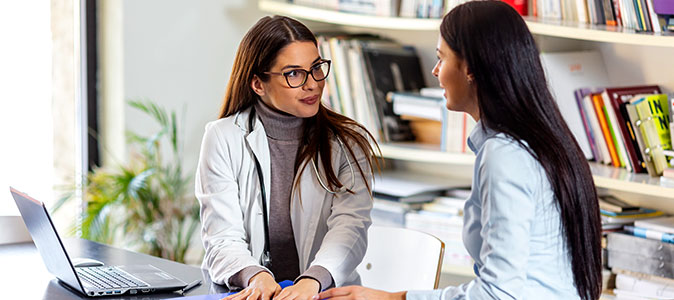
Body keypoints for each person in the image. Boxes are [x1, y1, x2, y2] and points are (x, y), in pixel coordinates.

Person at [316, 1, 602, 300]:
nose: (436, 70)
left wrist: (393, 298)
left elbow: (496, 294)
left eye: (442, 58)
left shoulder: (504, 156)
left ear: (470, 69)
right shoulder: (540, 142)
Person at [194, 15, 379, 300]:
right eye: (294, 73)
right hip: (248, 293)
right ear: (257, 83)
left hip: (321, 293)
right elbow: (221, 237)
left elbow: (350, 227)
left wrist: (312, 282)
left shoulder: (347, 142)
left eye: (316, 68)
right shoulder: (222, 137)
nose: (313, 84)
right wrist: (255, 276)